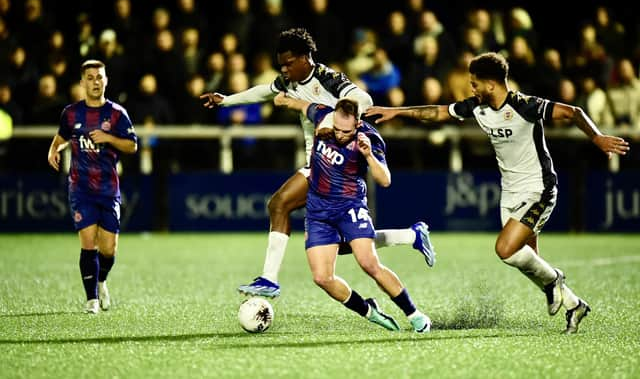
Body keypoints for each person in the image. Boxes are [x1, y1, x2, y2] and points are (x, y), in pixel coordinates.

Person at [365, 52, 630, 334]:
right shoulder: (477, 107)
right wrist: (397, 112)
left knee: (505, 249)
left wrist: (597, 138)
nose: (472, 88)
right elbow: (439, 111)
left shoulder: (524, 105)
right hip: (510, 192)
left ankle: (555, 281)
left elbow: (573, 112)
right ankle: (574, 305)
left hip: (538, 189)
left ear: (491, 85)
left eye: (475, 83)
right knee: (526, 259)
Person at [201, 28, 435, 298]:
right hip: (319, 161)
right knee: (345, 245)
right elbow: (264, 91)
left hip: (337, 163)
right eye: (282, 65)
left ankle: (269, 279)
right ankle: (411, 235)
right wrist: (226, 100)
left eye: (289, 63)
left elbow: (364, 99)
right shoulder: (289, 81)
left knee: (279, 204)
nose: (285, 70)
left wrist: (329, 119)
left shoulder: (327, 77)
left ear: (306, 58)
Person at [274, 93, 431, 332]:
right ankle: (370, 311)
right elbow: (301, 104)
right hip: (318, 210)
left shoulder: (369, 139)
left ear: (357, 124)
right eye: (336, 129)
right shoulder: (324, 117)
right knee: (322, 278)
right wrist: (282, 99)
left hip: (349, 207)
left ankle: (415, 315)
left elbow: (385, 180)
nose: (339, 134)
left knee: (368, 263)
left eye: (345, 132)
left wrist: (368, 155)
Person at [47, 60, 138, 314]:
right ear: (82, 82)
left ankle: (101, 280)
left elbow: (132, 145)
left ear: (106, 81)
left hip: (108, 190)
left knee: (108, 249)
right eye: (90, 77)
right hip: (81, 188)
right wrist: (54, 149)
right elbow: (62, 137)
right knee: (88, 243)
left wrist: (108, 137)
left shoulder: (117, 114)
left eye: (99, 77)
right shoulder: (71, 113)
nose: (95, 82)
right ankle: (91, 300)